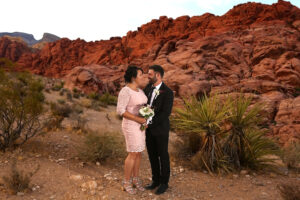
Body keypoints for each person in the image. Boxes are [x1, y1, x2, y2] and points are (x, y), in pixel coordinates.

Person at [116, 66, 148, 195]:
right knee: (133, 153)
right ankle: (126, 182)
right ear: (133, 77)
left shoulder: (140, 90)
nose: (143, 77)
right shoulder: (126, 91)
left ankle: (135, 179)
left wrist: (146, 118)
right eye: (141, 75)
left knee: (139, 152)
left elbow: (143, 105)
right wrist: (137, 119)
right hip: (130, 125)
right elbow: (120, 110)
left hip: (140, 125)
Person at [143, 65, 174, 195]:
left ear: (158, 75)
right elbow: (144, 105)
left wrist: (151, 123)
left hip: (160, 129)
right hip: (148, 130)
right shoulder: (147, 88)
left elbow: (165, 113)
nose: (148, 76)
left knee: (163, 156)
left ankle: (164, 183)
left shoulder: (168, 92)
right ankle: (155, 181)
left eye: (150, 74)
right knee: (152, 155)